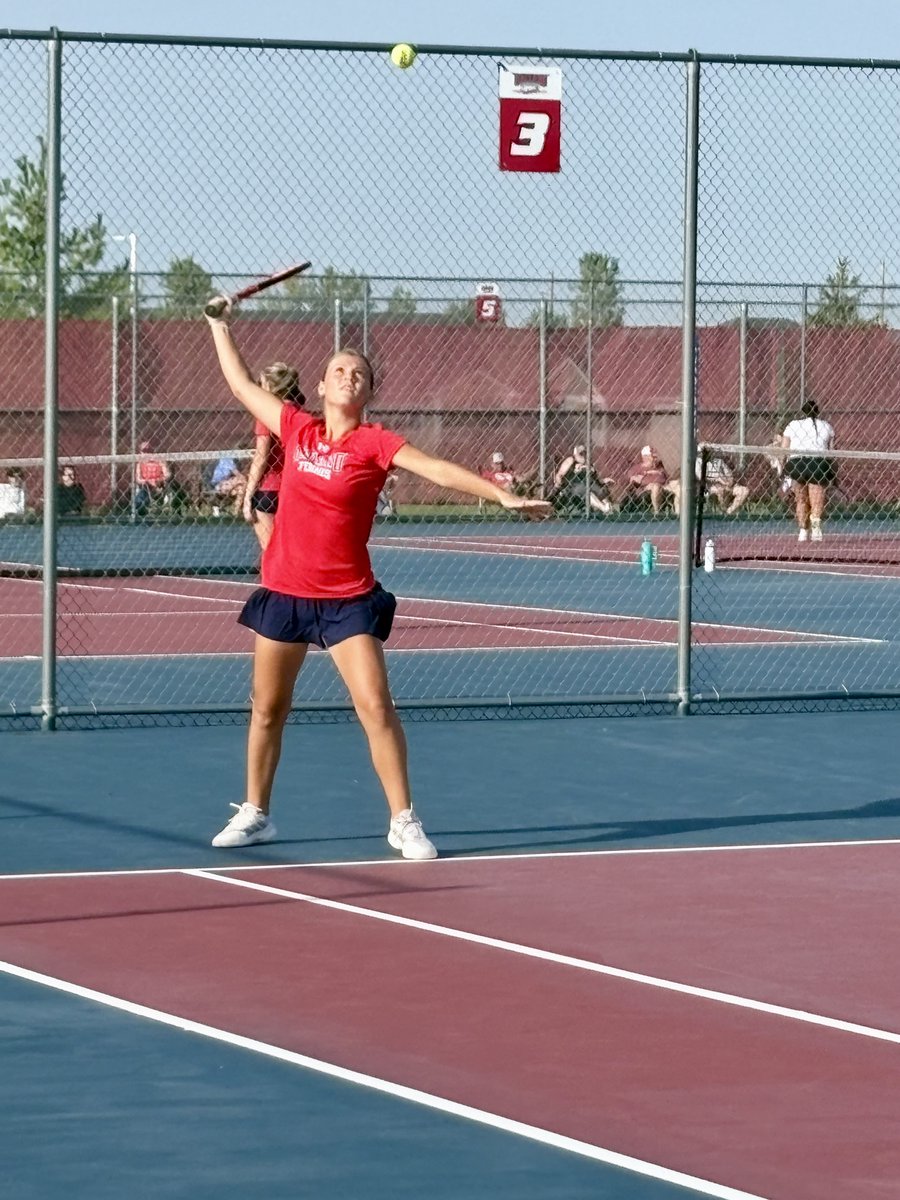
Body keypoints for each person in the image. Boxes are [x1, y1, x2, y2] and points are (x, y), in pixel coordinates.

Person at [204, 298, 548, 857]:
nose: (348, 376)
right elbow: (242, 384)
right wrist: (219, 324)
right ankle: (256, 812)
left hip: (346, 600)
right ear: (319, 385)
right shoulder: (296, 429)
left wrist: (501, 494)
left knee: (375, 706)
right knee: (267, 709)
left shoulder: (376, 443)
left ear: (367, 393)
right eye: (338, 370)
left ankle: (403, 820)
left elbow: (436, 468)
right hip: (285, 591)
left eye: (358, 373)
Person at [242, 362, 306, 550]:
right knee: (294, 550)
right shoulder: (301, 415)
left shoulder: (267, 414)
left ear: (269, 388)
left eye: (262, 384)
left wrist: (248, 496)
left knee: (272, 552)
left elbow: (261, 457)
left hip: (269, 490)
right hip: (296, 489)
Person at [780, 398, 836, 542]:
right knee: (817, 500)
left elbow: (784, 450)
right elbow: (831, 452)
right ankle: (816, 529)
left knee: (801, 500)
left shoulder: (792, 425)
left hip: (797, 463)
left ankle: (803, 531)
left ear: (802, 412)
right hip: (818, 463)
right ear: (818, 412)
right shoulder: (827, 426)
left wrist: (783, 469)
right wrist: (833, 472)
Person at [666, 453, 750, 517]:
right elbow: (700, 478)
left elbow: (730, 478)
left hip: (727, 486)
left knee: (744, 491)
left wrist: (726, 482)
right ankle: (722, 512)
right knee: (719, 490)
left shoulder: (719, 462)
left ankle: (729, 512)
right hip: (710, 487)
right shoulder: (697, 463)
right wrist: (718, 479)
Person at [551, 443, 617, 515]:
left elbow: (596, 479)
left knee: (597, 488)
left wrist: (604, 480)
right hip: (572, 487)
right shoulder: (571, 460)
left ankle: (609, 507)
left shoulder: (588, 464)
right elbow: (559, 475)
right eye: (580, 452)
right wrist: (558, 485)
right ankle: (603, 508)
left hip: (588, 484)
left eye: (584, 452)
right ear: (575, 452)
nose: (582, 454)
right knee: (584, 489)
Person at [623, 445, 668, 515]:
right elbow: (632, 481)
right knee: (655, 486)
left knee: (658, 485)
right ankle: (657, 512)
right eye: (653, 456)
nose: (656, 458)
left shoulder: (659, 466)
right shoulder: (636, 468)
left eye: (656, 456)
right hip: (643, 491)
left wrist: (644, 476)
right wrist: (652, 474)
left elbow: (663, 479)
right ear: (645, 457)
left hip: (662, 489)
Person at [134, 442, 171, 514]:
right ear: (140, 452)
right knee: (139, 500)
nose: (147, 453)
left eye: (149, 451)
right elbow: (138, 479)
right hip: (146, 487)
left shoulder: (159, 461)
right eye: (144, 451)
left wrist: (160, 480)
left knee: (167, 491)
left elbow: (167, 474)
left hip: (159, 486)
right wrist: (146, 481)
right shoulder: (140, 463)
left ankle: (163, 506)